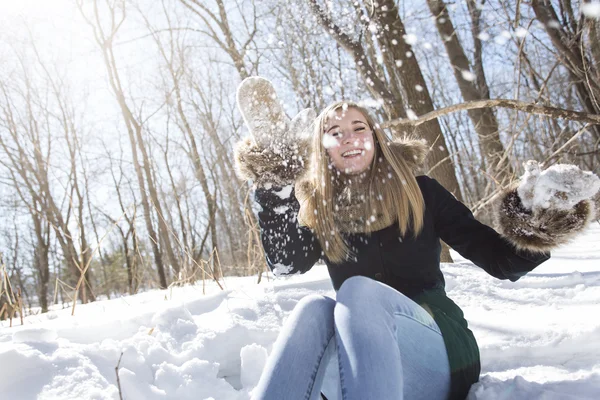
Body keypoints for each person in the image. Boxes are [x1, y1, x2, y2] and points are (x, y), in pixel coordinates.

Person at [233, 77, 598, 400]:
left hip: (435, 348)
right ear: (323, 149)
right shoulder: (321, 209)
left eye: (358, 127)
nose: (349, 138)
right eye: (335, 133)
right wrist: (274, 179)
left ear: (374, 138)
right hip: (361, 365)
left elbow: (502, 261)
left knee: (358, 292)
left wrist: (540, 216)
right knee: (312, 310)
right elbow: (285, 262)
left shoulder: (420, 192)